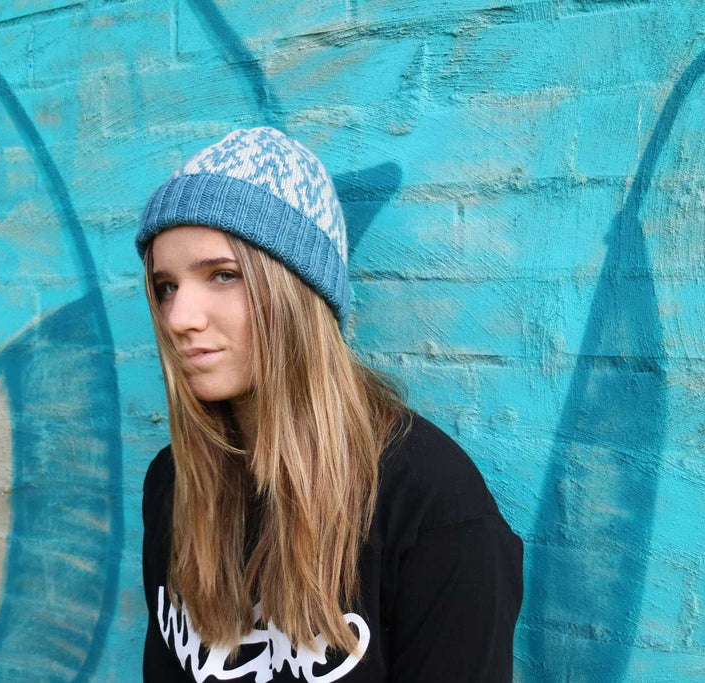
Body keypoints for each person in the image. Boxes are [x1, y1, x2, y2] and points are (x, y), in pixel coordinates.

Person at [136, 127, 524, 682]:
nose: (178, 318)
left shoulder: (429, 504)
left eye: (223, 275)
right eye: (166, 286)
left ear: (299, 290)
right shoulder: (174, 482)